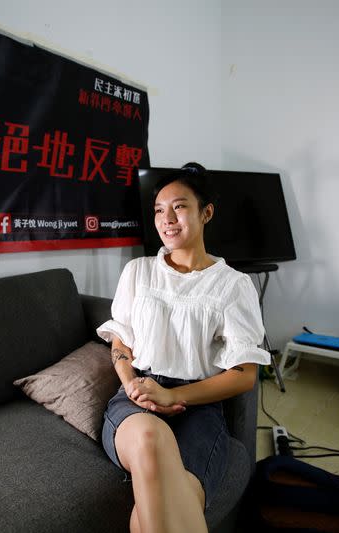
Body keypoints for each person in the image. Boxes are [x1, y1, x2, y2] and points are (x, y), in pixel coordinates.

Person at [97, 162, 271, 532]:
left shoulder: (233, 286)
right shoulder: (138, 272)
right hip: (136, 397)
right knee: (149, 436)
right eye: (159, 210)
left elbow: (244, 375)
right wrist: (131, 382)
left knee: (174, 502)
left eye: (179, 206)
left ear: (206, 212)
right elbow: (120, 338)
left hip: (199, 409)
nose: (167, 219)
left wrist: (174, 395)